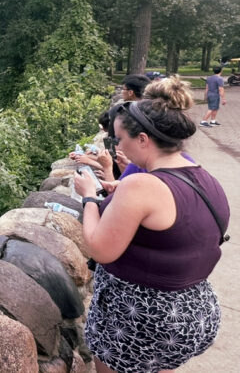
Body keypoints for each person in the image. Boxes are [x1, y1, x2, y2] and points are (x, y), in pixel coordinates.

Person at [73, 76, 229, 373]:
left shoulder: (141, 186)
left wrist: (89, 197)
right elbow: (174, 225)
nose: (118, 146)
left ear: (143, 139)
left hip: (143, 319)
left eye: (120, 140)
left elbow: (100, 249)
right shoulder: (205, 178)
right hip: (192, 313)